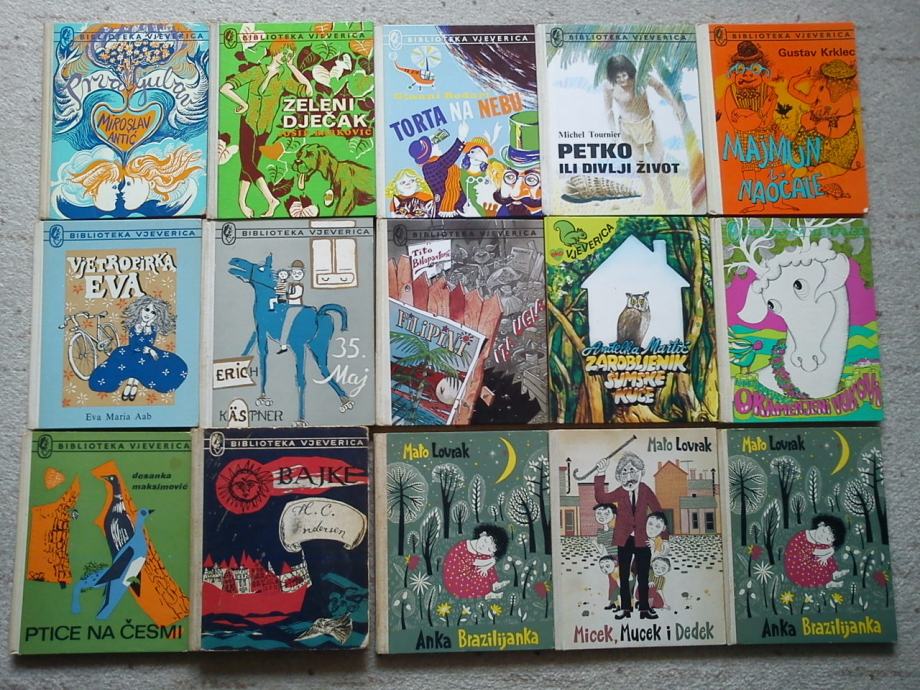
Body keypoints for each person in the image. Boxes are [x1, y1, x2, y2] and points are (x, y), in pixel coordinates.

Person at [220, 38, 313, 218]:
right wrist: (243, 104)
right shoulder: (256, 71)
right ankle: (265, 200)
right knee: (248, 164)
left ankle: (246, 203)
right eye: (284, 52)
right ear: (275, 50)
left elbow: (308, 91)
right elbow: (225, 88)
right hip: (248, 122)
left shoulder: (284, 79)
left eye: (290, 54)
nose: (286, 56)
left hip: (265, 128)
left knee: (249, 165)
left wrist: (293, 67)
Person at [603, 55, 683, 209]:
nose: (622, 80)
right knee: (640, 163)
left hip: (647, 125)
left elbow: (659, 87)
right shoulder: (608, 86)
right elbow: (608, 111)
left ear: (630, 72)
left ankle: (669, 200)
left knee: (660, 162)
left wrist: (675, 105)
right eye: (617, 77)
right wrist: (613, 134)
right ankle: (649, 192)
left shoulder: (641, 77)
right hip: (627, 130)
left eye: (624, 75)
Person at [594, 451, 664, 620]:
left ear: (641, 472)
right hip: (624, 539)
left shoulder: (645, 490)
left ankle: (645, 609)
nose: (629, 476)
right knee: (624, 576)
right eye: (624, 472)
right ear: (619, 477)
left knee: (643, 575)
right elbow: (601, 498)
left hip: (642, 539)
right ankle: (625, 608)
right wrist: (601, 473)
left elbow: (658, 511)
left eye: (633, 471)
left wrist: (663, 538)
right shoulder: (620, 491)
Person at [88, 296, 188, 401]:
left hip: (146, 353)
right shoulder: (135, 327)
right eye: (147, 309)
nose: (148, 314)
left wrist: (150, 348)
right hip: (132, 351)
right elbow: (134, 343)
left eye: (153, 312)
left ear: (156, 316)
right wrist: (145, 343)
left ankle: (134, 383)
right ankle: (131, 382)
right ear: (140, 309)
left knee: (159, 365)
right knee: (126, 363)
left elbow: (149, 343)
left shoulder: (152, 329)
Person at [787, 60, 861, 178]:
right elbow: (805, 97)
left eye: (837, 79)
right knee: (804, 142)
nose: (833, 82)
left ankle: (815, 171)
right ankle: (805, 166)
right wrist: (796, 80)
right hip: (818, 128)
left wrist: (820, 122)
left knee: (831, 159)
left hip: (838, 136)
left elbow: (841, 125)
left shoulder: (845, 97)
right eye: (831, 78)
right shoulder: (820, 84)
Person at [408, 120, 470, 217]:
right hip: (446, 211)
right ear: (429, 154)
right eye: (433, 145)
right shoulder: (428, 168)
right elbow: (446, 160)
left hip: (458, 207)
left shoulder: (435, 162)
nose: (437, 145)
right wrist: (460, 138)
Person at [441, 523, 510, 600]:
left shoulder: (482, 553)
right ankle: (487, 593)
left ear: (492, 554)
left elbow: (488, 561)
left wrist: (488, 566)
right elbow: (478, 562)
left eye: (489, 549)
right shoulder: (463, 547)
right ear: (483, 534)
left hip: (467, 570)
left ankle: (494, 583)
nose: (484, 547)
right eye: (486, 541)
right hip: (456, 580)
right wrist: (491, 562)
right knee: (481, 569)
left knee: (485, 560)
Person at [783, 514, 849, 589]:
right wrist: (830, 552)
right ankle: (827, 582)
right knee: (820, 561)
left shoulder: (821, 542)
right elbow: (818, 552)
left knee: (825, 555)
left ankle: (834, 573)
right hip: (797, 567)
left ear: (831, 543)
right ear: (821, 524)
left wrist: (827, 555)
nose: (822, 537)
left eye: (827, 539)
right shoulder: (803, 537)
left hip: (808, 558)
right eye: (824, 531)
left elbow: (828, 550)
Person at [277, 260, 305, 354]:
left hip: (296, 306)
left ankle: (283, 345)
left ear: (303, 274)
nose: (296, 275)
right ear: (291, 273)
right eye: (294, 273)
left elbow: (296, 295)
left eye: (299, 273)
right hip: (289, 305)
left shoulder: (299, 286)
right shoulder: (290, 284)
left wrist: (287, 295)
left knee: (287, 323)